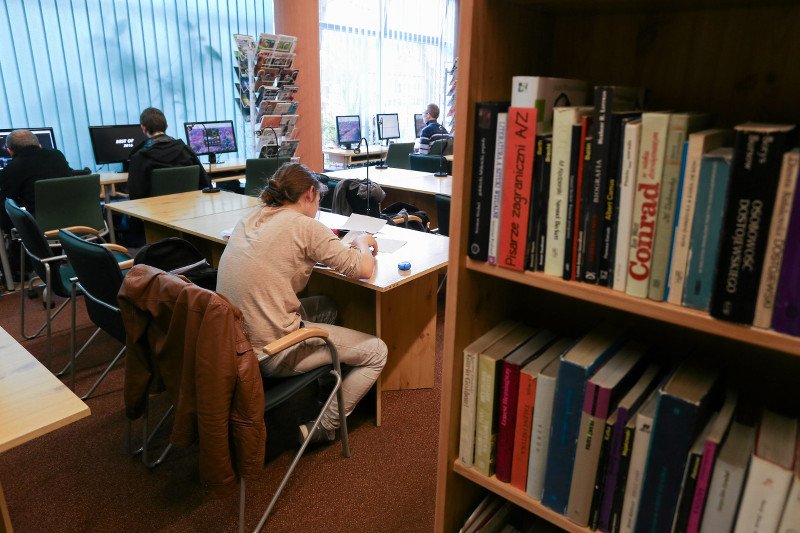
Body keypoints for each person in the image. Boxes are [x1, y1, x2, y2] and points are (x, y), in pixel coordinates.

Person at [216, 163, 387, 445]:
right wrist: (362, 242)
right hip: (272, 351)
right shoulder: (305, 226)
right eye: (318, 199)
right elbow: (364, 269)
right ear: (309, 194)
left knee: (327, 306)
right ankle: (325, 425)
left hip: (233, 343)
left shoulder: (252, 217)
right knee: (377, 351)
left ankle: (325, 383)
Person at [0, 129, 84, 232]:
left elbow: (7, 204)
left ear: (10, 151)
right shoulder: (57, 155)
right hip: (78, 223)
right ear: (39, 145)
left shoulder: (11, 168)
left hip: (42, 229)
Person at [127, 107, 210, 199]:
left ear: (143, 127)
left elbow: (135, 196)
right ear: (166, 126)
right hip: (187, 205)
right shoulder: (186, 150)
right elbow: (205, 183)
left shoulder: (139, 157)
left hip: (154, 207)